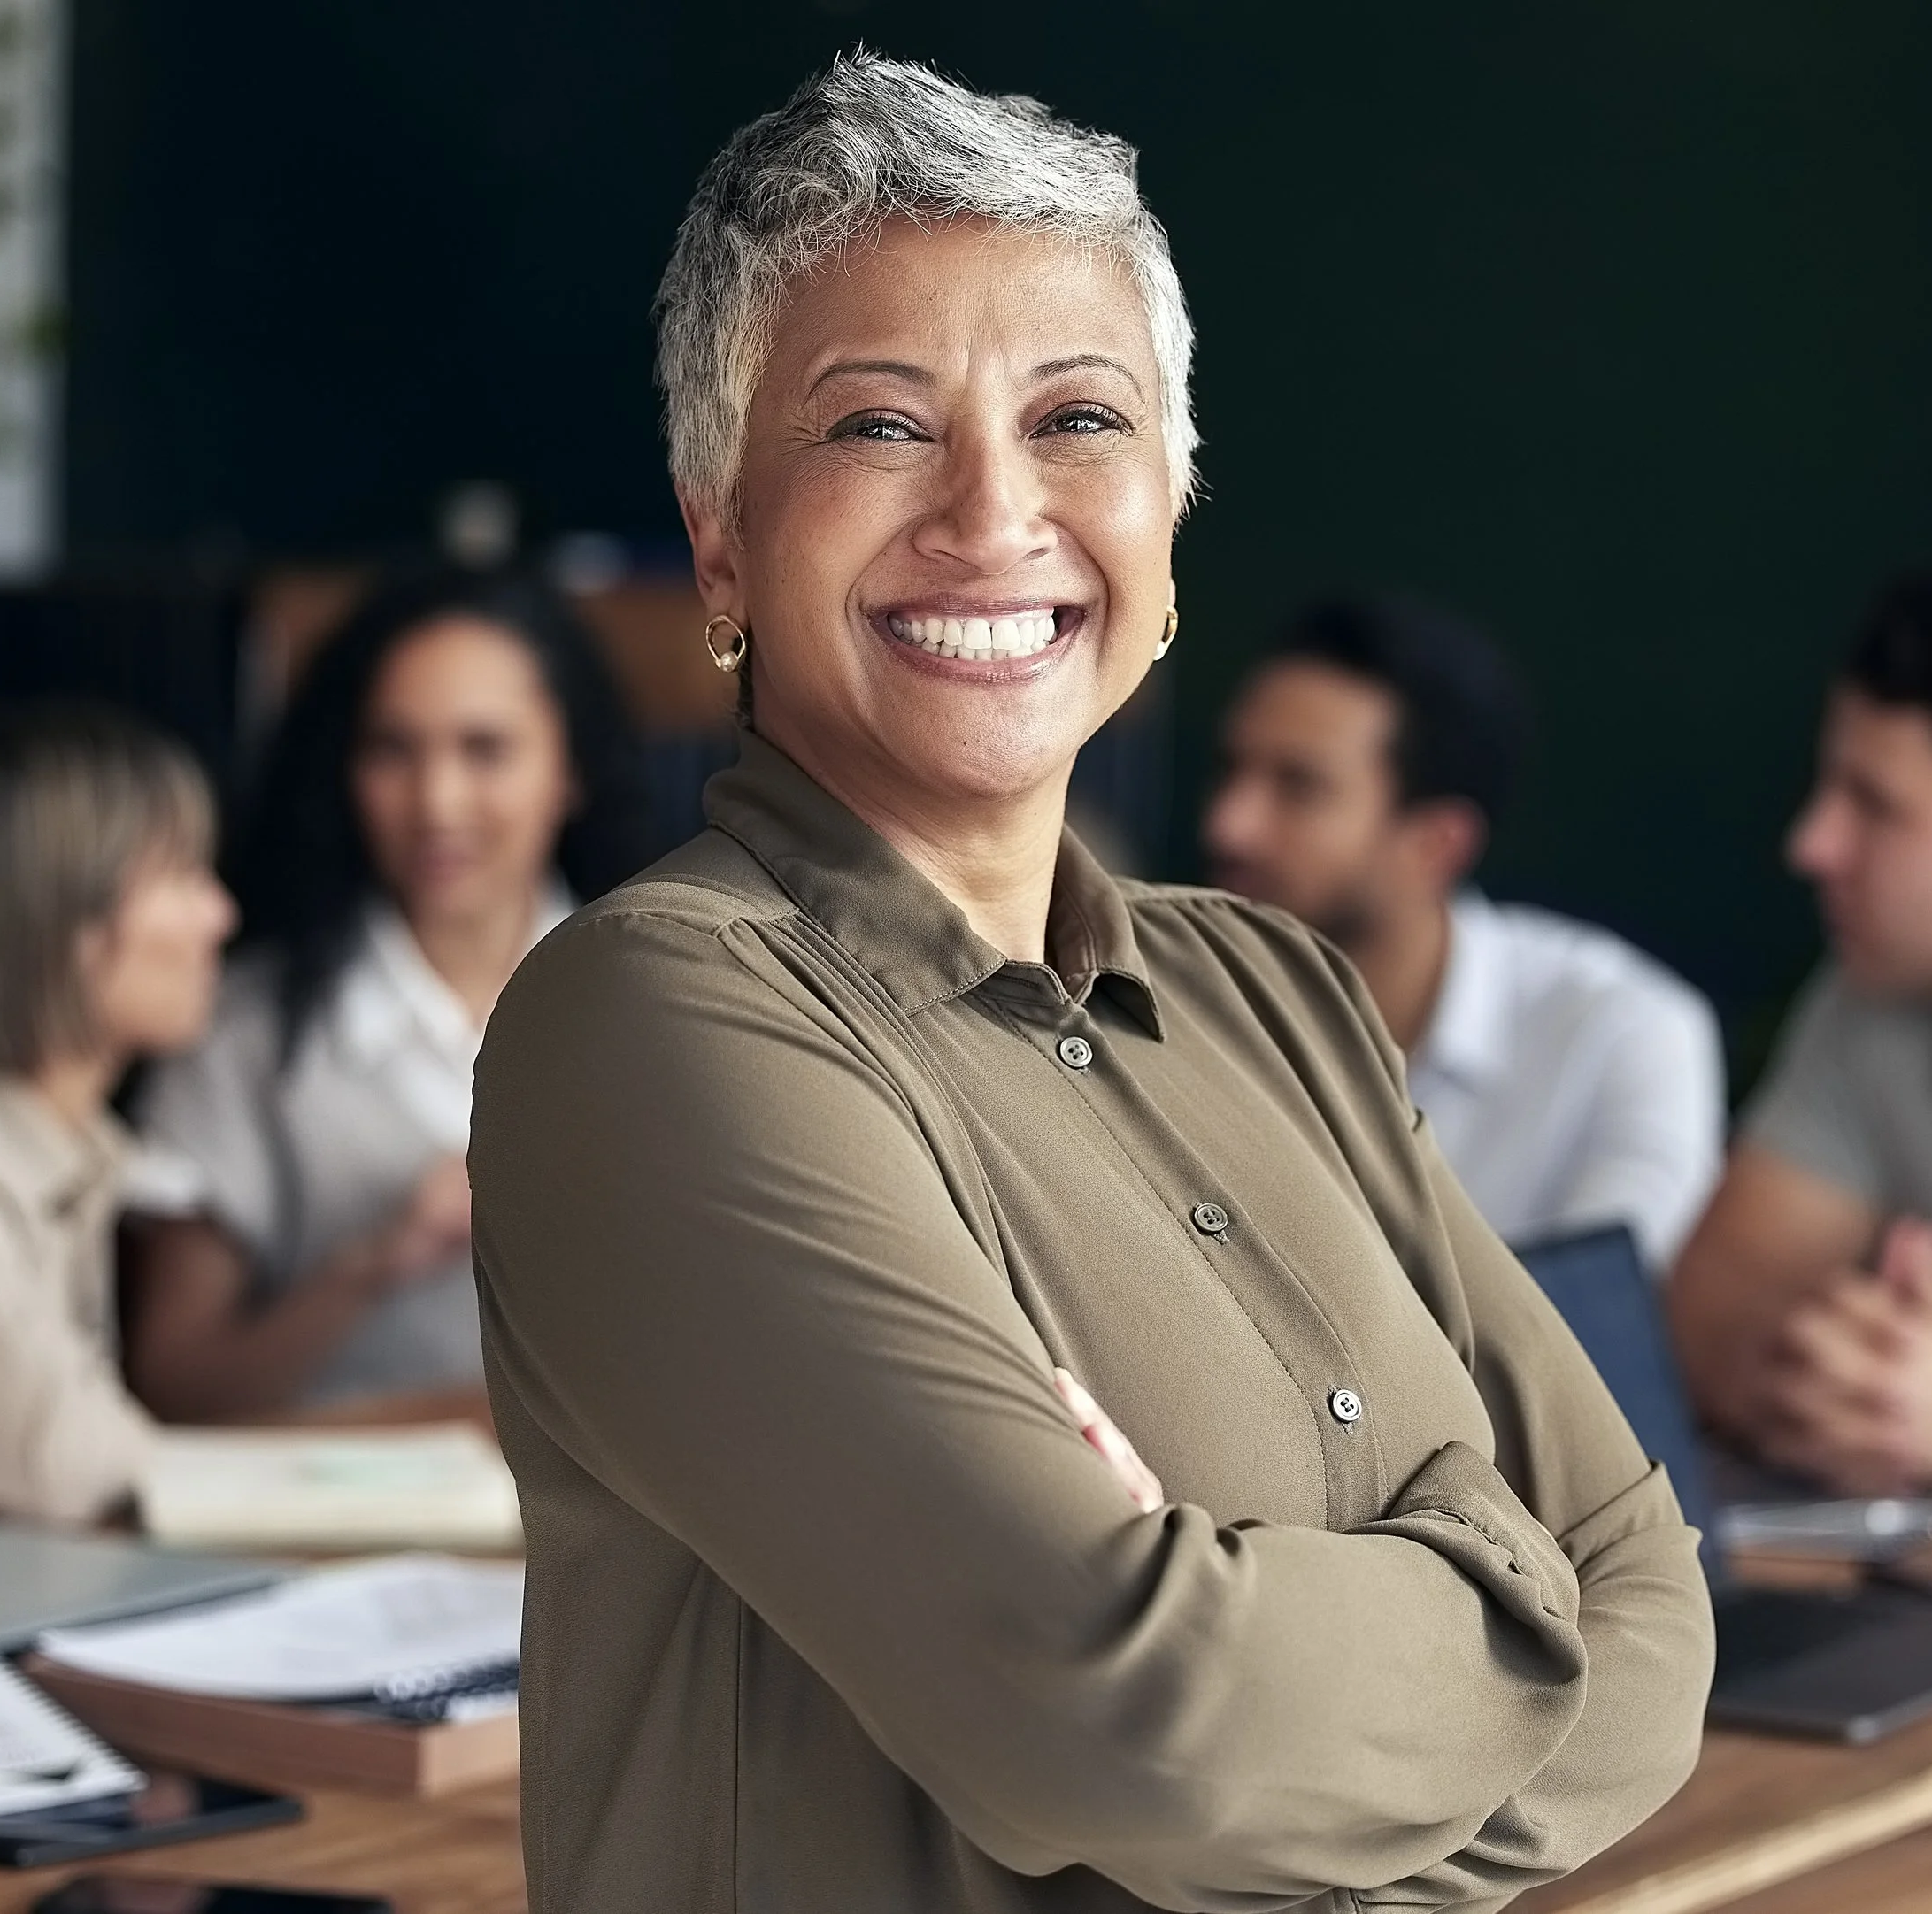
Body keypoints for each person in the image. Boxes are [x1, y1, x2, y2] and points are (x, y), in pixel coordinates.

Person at [472, 53, 1711, 1914]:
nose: (992, 511)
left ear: (1172, 516)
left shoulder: (1270, 988)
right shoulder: (647, 1025)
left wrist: (1252, 1723)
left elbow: (1653, 1612)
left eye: (1077, 418)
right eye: (877, 426)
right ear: (719, 534)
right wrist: (1484, 1566)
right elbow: (1131, 1728)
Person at [127, 568, 645, 1418]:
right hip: (341, 1530)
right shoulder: (243, 1036)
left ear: (572, 770)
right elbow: (176, 1392)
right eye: (392, 750)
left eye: (485, 750)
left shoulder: (685, 1008)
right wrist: (377, 1259)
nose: (437, 803)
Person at [1669, 565, 1932, 1494]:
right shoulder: (1869, 1002)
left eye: (1874, 804)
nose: (1811, 844)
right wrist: (1859, 1384)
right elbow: (1708, 1330)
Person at [1204, 597, 1725, 1267]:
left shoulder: (1622, 1033)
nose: (1228, 824)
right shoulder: (1157, 1005)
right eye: (1231, 769)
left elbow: (1583, 1341)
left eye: (1298, 787)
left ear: (1436, 844)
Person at [0, 703, 235, 1521]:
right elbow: (62, 1473)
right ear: (53, 915)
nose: (220, 915)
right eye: (182, 877)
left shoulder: (78, 1145)